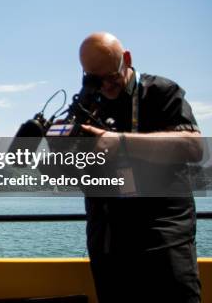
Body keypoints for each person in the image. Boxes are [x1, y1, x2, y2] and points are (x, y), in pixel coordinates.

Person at [77, 32, 202, 303]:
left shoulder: (161, 92)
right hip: (108, 244)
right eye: (96, 80)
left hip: (162, 239)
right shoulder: (88, 103)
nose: (106, 86)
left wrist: (121, 143)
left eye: (111, 76)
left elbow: (194, 147)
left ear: (127, 59)